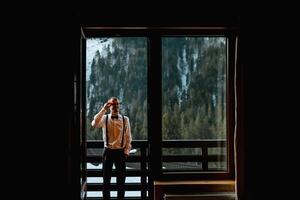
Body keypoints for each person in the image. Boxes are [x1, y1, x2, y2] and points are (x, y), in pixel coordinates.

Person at [91, 97, 132, 200]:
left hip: (120, 152)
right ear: (109, 106)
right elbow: (94, 123)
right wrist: (103, 110)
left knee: (121, 182)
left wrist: (126, 151)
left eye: (117, 104)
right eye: (113, 104)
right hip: (108, 152)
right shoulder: (104, 118)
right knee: (106, 182)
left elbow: (128, 137)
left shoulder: (125, 119)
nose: (115, 106)